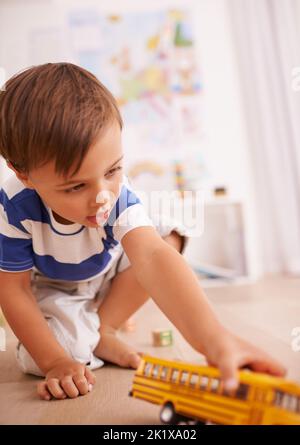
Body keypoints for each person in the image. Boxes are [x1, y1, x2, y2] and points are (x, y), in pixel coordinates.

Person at [0, 63, 285, 401]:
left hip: (106, 276)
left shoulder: (117, 197)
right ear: (25, 175)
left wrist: (213, 338)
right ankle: (84, 333)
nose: (101, 196)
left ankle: (104, 327)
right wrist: (55, 361)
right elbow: (14, 291)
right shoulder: (13, 208)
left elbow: (152, 256)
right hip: (53, 285)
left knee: (166, 238)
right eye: (76, 187)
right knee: (66, 354)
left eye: (114, 170)